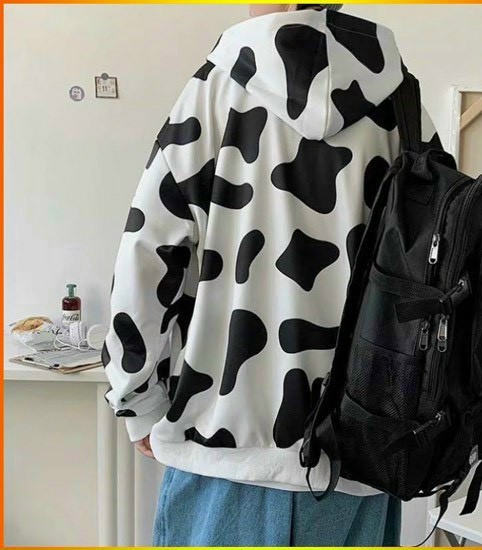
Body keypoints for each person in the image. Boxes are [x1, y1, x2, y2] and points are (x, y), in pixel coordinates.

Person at [102, 3, 441, 546]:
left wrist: (138, 400)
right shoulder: (402, 102)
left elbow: (148, 251)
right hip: (357, 459)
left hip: (222, 451)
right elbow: (440, 269)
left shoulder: (215, 88)